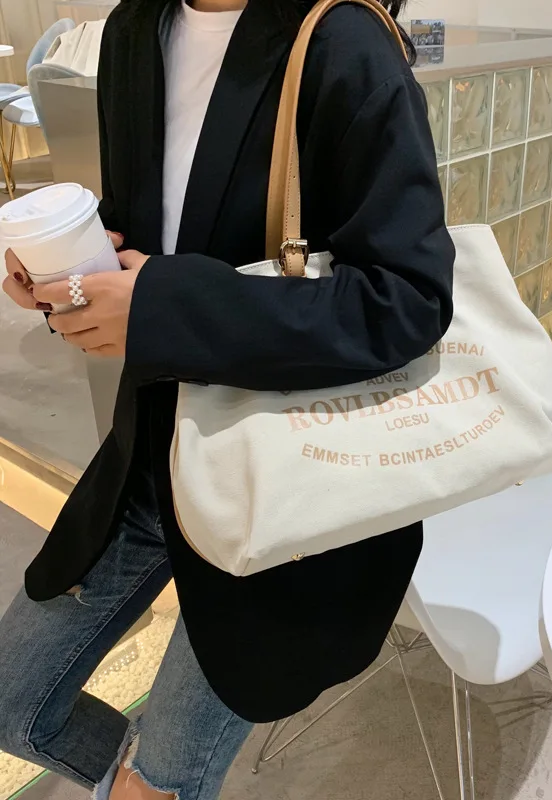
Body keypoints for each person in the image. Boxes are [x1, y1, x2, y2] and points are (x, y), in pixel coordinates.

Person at [0, 0, 455, 797]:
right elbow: (167, 228)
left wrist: (161, 306)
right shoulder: (135, 28)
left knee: (161, 783)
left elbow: (407, 302)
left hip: (280, 484)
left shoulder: (341, 40)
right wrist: (75, 273)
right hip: (151, 457)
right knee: (14, 708)